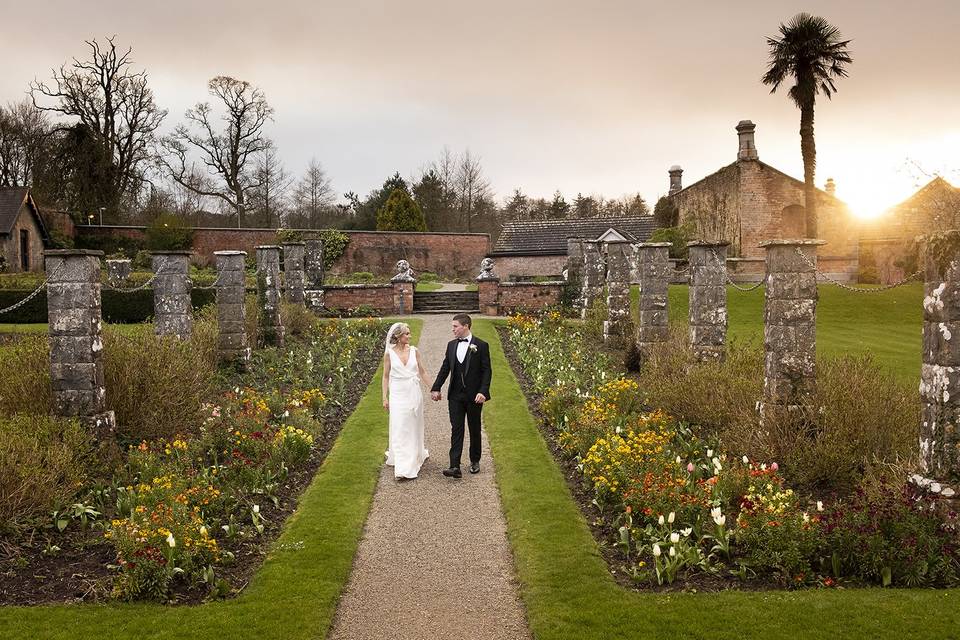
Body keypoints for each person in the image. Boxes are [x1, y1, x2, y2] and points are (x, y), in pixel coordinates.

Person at [430, 313, 492, 479]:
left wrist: (483, 391)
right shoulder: (451, 345)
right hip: (455, 396)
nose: (453, 330)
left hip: (474, 396)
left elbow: (487, 371)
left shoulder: (481, 345)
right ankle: (454, 465)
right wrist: (436, 388)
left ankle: (475, 460)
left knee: (474, 428)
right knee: (456, 428)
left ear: (466, 326)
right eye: (453, 327)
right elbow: (445, 368)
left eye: (455, 326)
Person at [382, 322, 431, 479]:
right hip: (397, 394)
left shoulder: (414, 351)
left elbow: (422, 372)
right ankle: (403, 468)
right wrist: (384, 397)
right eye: (407, 334)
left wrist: (433, 388)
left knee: (413, 425)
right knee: (400, 426)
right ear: (398, 336)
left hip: (413, 392)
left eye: (409, 333)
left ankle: (415, 453)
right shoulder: (389, 354)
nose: (409, 336)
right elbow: (385, 376)